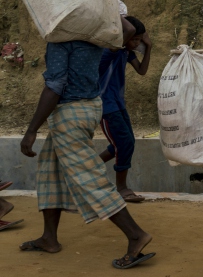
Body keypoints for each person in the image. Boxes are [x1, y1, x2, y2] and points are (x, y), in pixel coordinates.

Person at [19, 16, 156, 269]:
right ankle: (49, 238)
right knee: (51, 172)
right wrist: (103, 8)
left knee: (89, 178)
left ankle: (136, 235)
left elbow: (55, 86)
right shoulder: (95, 34)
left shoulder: (61, 40)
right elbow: (126, 28)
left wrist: (31, 130)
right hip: (89, 107)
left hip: (69, 113)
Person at [97, 15, 151, 204]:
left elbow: (142, 71)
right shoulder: (109, 50)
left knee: (123, 143)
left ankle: (87, 169)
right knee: (124, 144)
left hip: (118, 104)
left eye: (139, 39)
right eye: (135, 39)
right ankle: (121, 188)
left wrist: (149, 47)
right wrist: (116, 12)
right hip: (105, 105)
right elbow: (126, 32)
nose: (137, 43)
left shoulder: (126, 53)